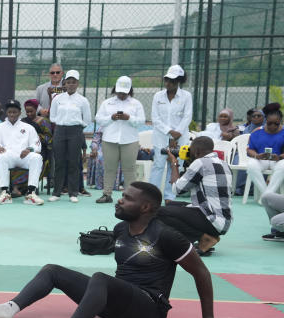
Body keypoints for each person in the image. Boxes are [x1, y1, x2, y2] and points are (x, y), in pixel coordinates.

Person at [0, 181, 239, 318]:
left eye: (128, 198)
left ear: (145, 207)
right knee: (53, 269)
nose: (120, 199)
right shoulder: (122, 228)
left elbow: (201, 271)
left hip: (149, 312)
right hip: (119, 305)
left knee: (100, 278)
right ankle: (9, 309)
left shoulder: (167, 235)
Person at [158, 136, 232, 256]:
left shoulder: (200, 163)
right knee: (171, 204)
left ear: (197, 152)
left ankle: (204, 238)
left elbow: (177, 189)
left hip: (212, 219)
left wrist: (174, 162)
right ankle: (210, 236)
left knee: (160, 212)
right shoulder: (223, 163)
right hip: (223, 221)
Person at [93, 75, 145, 203]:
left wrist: (129, 118)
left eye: (124, 92)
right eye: (119, 91)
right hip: (109, 139)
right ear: (115, 89)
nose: (122, 94)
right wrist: (111, 118)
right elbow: (98, 119)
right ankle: (107, 194)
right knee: (110, 168)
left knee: (129, 169)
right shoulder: (107, 103)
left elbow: (141, 121)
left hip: (130, 140)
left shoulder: (136, 104)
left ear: (129, 90)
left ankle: (130, 196)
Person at [150, 65, 193, 200]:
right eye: (167, 80)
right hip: (161, 137)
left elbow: (187, 116)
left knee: (175, 165)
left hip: (180, 138)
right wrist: (170, 132)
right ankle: (152, 197)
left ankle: (170, 197)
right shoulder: (158, 96)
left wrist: (177, 133)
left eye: (172, 81)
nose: (168, 83)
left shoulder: (186, 96)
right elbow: (155, 118)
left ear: (179, 81)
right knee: (158, 165)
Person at [48, 69, 91, 202]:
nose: (71, 84)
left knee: (73, 162)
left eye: (74, 82)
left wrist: (77, 126)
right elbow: (52, 116)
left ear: (77, 83)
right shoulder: (57, 99)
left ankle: (73, 193)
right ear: (65, 83)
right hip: (60, 130)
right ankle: (57, 192)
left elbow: (87, 119)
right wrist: (62, 125)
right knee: (59, 162)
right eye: (69, 82)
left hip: (75, 131)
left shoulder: (83, 100)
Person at [0, 100, 45, 206]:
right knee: (0, 157)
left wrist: (29, 150)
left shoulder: (29, 127)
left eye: (14, 112)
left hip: (24, 156)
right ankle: (5, 193)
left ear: (20, 113)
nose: (12, 114)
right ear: (6, 112)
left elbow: (37, 144)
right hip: (8, 156)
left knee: (37, 157)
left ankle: (31, 193)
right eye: (10, 112)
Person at [245, 107, 284, 200]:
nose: (273, 126)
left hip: (278, 161)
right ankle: (266, 195)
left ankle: (267, 195)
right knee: (251, 165)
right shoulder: (257, 131)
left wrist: (279, 157)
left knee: (283, 166)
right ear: (265, 120)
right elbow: (249, 149)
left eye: (276, 123)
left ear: (281, 121)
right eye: (270, 123)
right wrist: (256, 155)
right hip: (261, 159)